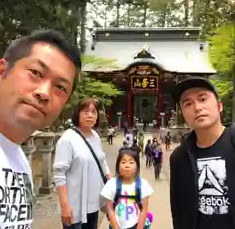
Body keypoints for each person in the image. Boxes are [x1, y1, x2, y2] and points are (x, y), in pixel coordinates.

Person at [0, 29, 81, 228]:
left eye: (60, 88)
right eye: (36, 73)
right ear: (0, 71)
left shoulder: (20, 162)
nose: (44, 93)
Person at [170, 77, 235, 229]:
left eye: (203, 99)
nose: (197, 108)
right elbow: (178, 211)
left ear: (219, 106)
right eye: (188, 104)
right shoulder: (179, 158)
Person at [53, 98, 111, 229]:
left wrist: (110, 180)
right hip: (74, 206)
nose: (90, 115)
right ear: (77, 114)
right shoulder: (67, 139)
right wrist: (65, 205)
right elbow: (59, 173)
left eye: (93, 112)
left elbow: (101, 160)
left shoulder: (95, 136)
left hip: (93, 204)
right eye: (85, 112)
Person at [100, 150, 154, 229]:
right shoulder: (111, 185)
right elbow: (110, 209)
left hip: (136, 225)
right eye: (123, 162)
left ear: (137, 166)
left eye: (131, 162)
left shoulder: (143, 185)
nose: (127, 165)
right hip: (116, 225)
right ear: (118, 166)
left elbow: (144, 210)